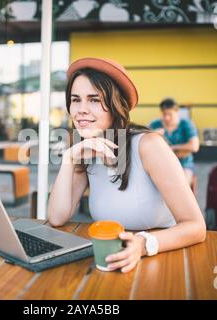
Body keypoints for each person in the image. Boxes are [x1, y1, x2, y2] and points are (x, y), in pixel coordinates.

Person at [47, 57, 206, 273]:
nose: (81, 110)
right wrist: (68, 159)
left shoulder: (149, 145)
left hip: (163, 259)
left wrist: (141, 244)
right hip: (114, 260)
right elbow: (57, 217)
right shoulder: (85, 148)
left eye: (94, 99)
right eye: (75, 99)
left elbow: (196, 227)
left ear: (115, 105)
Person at [149, 98, 199, 185]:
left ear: (177, 112)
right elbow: (146, 145)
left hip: (184, 164)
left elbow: (194, 146)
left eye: (170, 114)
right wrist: (154, 136)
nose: (167, 118)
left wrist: (171, 148)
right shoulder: (154, 124)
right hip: (161, 164)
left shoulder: (186, 124)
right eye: (164, 114)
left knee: (182, 184)